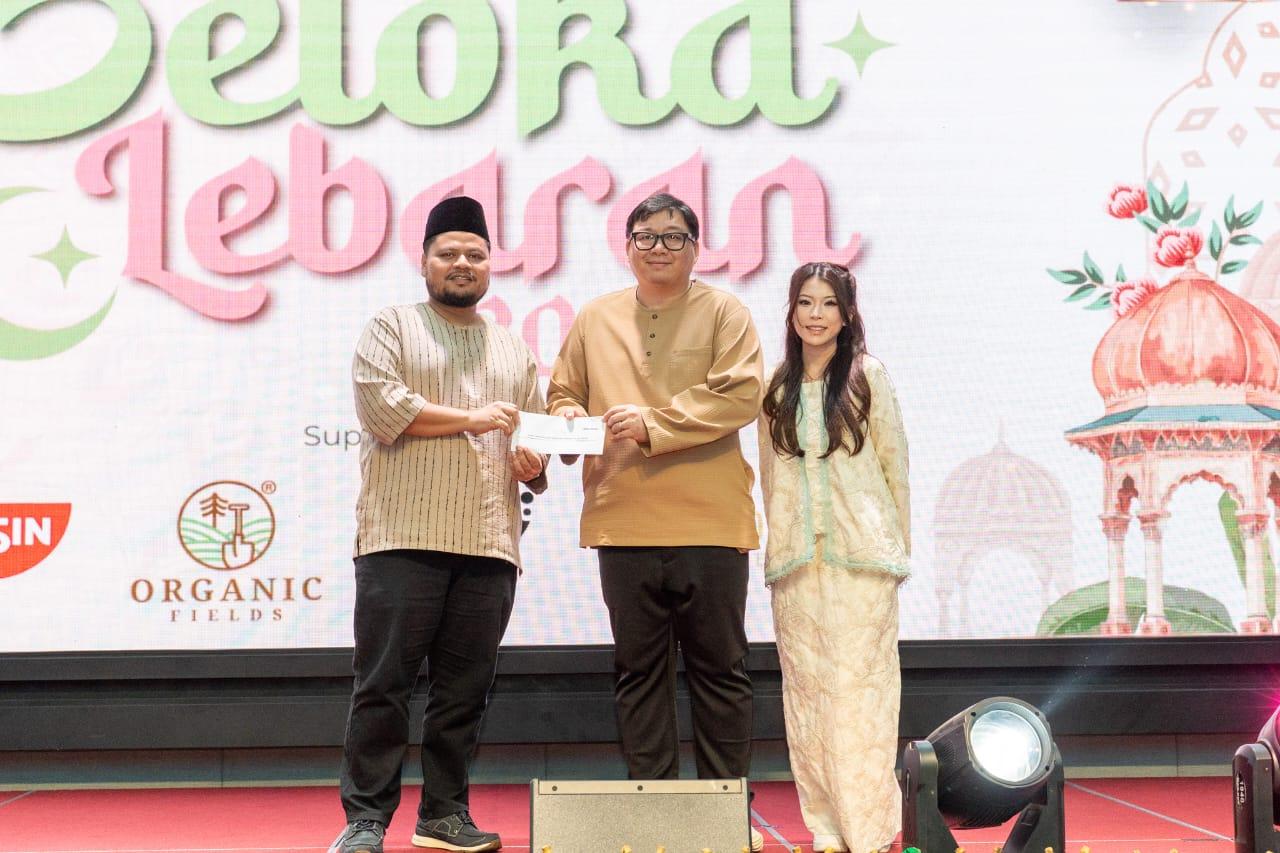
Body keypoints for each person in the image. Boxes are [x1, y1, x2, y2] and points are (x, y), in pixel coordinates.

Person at [547, 192, 766, 851]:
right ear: (628, 247)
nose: (659, 248)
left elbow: (741, 394)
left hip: (711, 521)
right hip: (623, 520)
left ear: (696, 248)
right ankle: (658, 818)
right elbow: (563, 392)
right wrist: (564, 417)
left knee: (720, 672)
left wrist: (652, 424)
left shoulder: (725, 312)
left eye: (674, 237)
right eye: (646, 236)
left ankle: (724, 818)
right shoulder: (594, 317)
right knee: (638, 674)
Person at [334, 196, 548, 853]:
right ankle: (366, 820)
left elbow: (534, 443)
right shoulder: (392, 326)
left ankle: (444, 815)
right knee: (384, 687)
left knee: (464, 692)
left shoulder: (514, 349)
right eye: (448, 252)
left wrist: (533, 460)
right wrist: (473, 418)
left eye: (474, 254)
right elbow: (383, 410)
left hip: (489, 542)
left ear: (490, 265)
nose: (462, 263)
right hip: (401, 538)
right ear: (424, 260)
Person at [757, 261, 910, 853]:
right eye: (805, 302)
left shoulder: (868, 377)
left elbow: (895, 467)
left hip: (863, 563)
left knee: (859, 695)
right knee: (807, 698)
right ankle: (824, 827)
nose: (815, 315)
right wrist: (780, 548)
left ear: (847, 315)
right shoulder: (776, 386)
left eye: (827, 304)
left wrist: (897, 549)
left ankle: (868, 829)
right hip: (797, 568)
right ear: (791, 311)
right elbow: (771, 478)